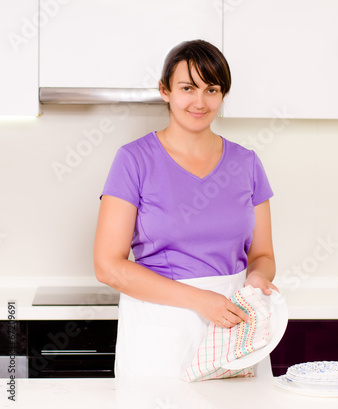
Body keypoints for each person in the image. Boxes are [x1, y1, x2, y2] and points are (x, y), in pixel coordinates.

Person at [93, 39, 278, 379]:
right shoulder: (133, 160)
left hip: (234, 329)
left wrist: (256, 281)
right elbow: (108, 267)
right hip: (161, 330)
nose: (200, 101)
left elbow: (263, 255)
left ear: (223, 96)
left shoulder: (247, 163)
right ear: (165, 91)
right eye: (187, 87)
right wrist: (201, 300)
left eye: (212, 89)